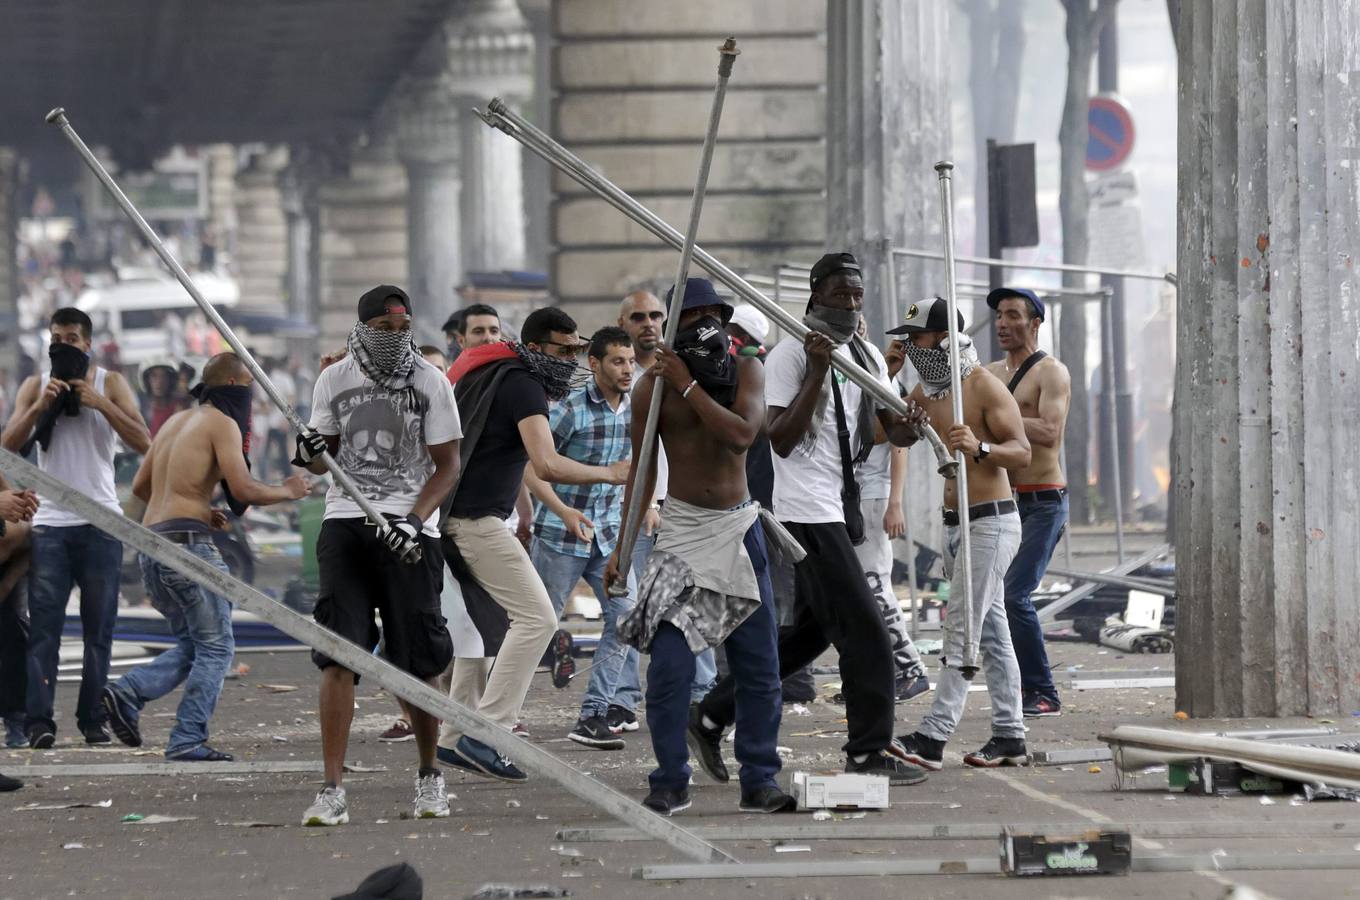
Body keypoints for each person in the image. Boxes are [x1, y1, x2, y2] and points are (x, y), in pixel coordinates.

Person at [689, 253, 928, 786]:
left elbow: (887, 429)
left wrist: (910, 425)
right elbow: (779, 438)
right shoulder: (792, 356)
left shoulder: (863, 351)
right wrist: (817, 374)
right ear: (816, 293)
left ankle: (709, 714)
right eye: (839, 294)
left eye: (856, 296)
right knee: (867, 630)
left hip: (843, 507)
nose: (848, 305)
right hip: (806, 513)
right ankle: (867, 751)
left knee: (811, 636)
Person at [606, 277, 797, 815]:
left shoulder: (746, 369)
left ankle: (760, 778)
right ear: (673, 325)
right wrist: (623, 548)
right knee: (670, 668)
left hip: (738, 532)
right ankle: (669, 778)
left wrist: (690, 385)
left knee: (757, 667)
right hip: (683, 535)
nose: (701, 327)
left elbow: (741, 435)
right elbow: (641, 475)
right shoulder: (650, 389)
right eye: (690, 319)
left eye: (710, 316)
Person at [294, 285, 462, 826]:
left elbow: (447, 465)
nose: (395, 339)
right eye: (384, 330)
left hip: (410, 530)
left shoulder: (430, 382)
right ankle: (332, 788)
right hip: (346, 523)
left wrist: (413, 523)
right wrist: (310, 452)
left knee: (418, 657)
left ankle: (430, 776)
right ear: (363, 328)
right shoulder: (334, 379)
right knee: (338, 654)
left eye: (402, 328)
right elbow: (322, 463)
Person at [437, 307, 627, 783]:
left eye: (576, 349)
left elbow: (513, 458)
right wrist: (611, 473)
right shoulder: (522, 383)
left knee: (479, 632)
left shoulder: (500, 373)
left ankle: (456, 737)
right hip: (473, 522)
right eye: (564, 350)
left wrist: (550, 510)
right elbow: (546, 462)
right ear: (537, 347)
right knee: (538, 619)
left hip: (465, 517)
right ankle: (489, 732)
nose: (571, 360)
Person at [101, 353, 309, 761]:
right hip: (188, 550)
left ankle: (128, 694)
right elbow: (245, 490)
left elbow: (143, 487)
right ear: (232, 384)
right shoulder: (223, 423)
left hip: (155, 546)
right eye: (248, 382)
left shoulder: (175, 422)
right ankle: (185, 737)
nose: (251, 392)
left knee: (195, 644)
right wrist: (288, 490)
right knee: (217, 648)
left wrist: (196, 505)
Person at [888, 297, 1033, 770]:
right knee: (991, 634)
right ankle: (1011, 735)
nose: (911, 345)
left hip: (991, 522)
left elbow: (1023, 452)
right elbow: (886, 434)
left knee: (961, 629)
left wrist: (981, 446)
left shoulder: (983, 386)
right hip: (956, 524)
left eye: (919, 337)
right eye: (906, 338)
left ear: (945, 339)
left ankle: (933, 736)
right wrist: (888, 377)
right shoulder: (927, 389)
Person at [2, 307, 151, 749]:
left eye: (70, 338)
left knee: (98, 630)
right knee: (44, 630)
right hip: (50, 523)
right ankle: (38, 723)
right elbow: (8, 448)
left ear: (87, 343)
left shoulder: (111, 383)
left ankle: (92, 720)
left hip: (101, 520)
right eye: (56, 338)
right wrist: (39, 407)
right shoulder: (33, 386)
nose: (62, 346)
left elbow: (145, 442)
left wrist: (99, 403)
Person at [525, 326, 641, 750]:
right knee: (535, 626)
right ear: (594, 364)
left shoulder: (636, 408)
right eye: (617, 361)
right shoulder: (569, 410)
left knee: (626, 619)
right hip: (559, 535)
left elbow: (635, 472)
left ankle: (594, 714)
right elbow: (531, 469)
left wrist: (645, 507)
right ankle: (499, 719)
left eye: (630, 360)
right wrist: (562, 511)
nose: (627, 369)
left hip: (606, 536)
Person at [617, 289, 715, 710]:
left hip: (684, 512)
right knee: (630, 607)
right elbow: (633, 459)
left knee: (693, 604)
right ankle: (621, 698)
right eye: (638, 317)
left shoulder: (684, 370)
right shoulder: (618, 378)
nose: (649, 323)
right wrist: (643, 508)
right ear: (624, 324)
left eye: (657, 315)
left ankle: (702, 693)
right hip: (638, 512)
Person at [984, 287, 1071, 718]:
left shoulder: (1051, 373)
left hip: (1043, 502)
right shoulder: (990, 373)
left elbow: (1050, 432)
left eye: (1013, 315)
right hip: (1004, 503)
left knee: (1014, 593)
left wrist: (999, 417)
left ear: (1034, 322)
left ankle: (1043, 691)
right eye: (999, 315)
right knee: (993, 597)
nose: (1003, 323)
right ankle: (1016, 689)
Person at [854, 318, 931, 703]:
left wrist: (894, 502)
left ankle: (911, 668)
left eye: (862, 324)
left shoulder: (882, 380)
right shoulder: (854, 375)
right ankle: (877, 672)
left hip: (873, 495)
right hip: (853, 496)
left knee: (875, 583)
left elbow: (899, 444)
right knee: (860, 589)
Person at [0, 477, 38, 764]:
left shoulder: (17, 533)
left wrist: (6, 587)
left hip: (9, 565)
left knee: (13, 631)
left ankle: (16, 719)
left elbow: (29, 541)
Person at [140, 357, 191, 438]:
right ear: (147, 380)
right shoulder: (141, 412)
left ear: (171, 380)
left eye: (164, 376)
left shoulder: (181, 406)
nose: (159, 381)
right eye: (154, 376)